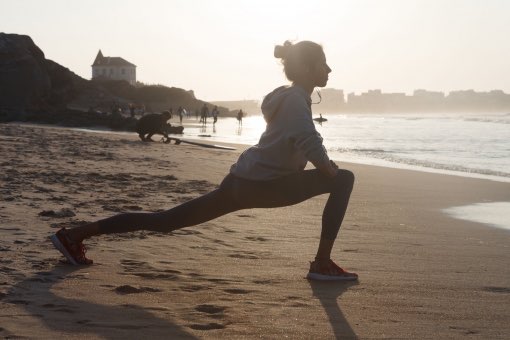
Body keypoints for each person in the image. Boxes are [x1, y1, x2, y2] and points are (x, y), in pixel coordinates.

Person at [50, 40, 358, 281]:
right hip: (265, 185)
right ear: (306, 68)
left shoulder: (289, 96)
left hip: (245, 183)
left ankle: (74, 235)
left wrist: (323, 167)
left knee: (165, 221)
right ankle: (321, 263)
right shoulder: (294, 99)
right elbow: (308, 139)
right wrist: (328, 169)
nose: (329, 69)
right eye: (323, 63)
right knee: (343, 179)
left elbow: (301, 137)